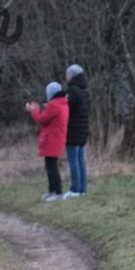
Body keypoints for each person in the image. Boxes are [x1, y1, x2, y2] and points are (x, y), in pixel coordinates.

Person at [26, 81, 69, 201]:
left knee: (52, 167)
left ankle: (57, 192)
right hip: (56, 138)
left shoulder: (54, 105)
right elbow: (50, 117)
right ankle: (52, 191)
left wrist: (33, 110)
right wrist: (45, 108)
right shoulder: (62, 103)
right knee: (50, 165)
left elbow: (42, 119)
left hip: (52, 138)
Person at [63, 63, 90, 197]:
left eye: (67, 75)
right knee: (80, 160)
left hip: (72, 131)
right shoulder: (85, 92)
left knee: (73, 160)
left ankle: (74, 189)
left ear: (72, 76)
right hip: (82, 131)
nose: (66, 77)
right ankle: (82, 189)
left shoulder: (72, 91)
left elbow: (66, 109)